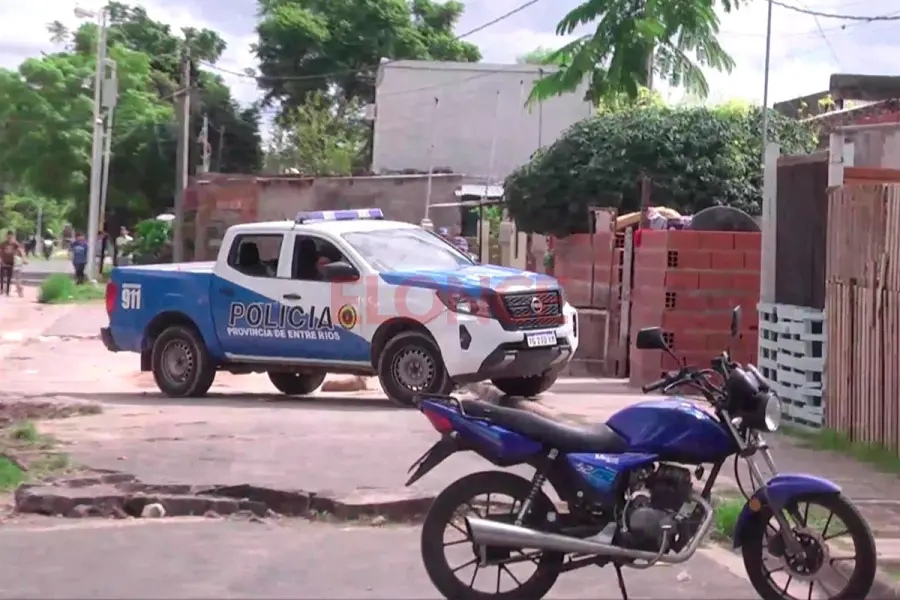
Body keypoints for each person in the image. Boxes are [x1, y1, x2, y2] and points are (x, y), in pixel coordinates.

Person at [0, 231, 22, 296]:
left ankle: (7, 291)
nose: (9, 238)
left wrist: (15, 241)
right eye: (8, 236)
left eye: (10, 237)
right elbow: (0, 251)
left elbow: (20, 249)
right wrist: (1, 259)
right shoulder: (3, 243)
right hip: (4, 261)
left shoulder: (14, 244)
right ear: (6, 236)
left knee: (9, 277)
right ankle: (1, 289)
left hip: (11, 262)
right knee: (1, 276)